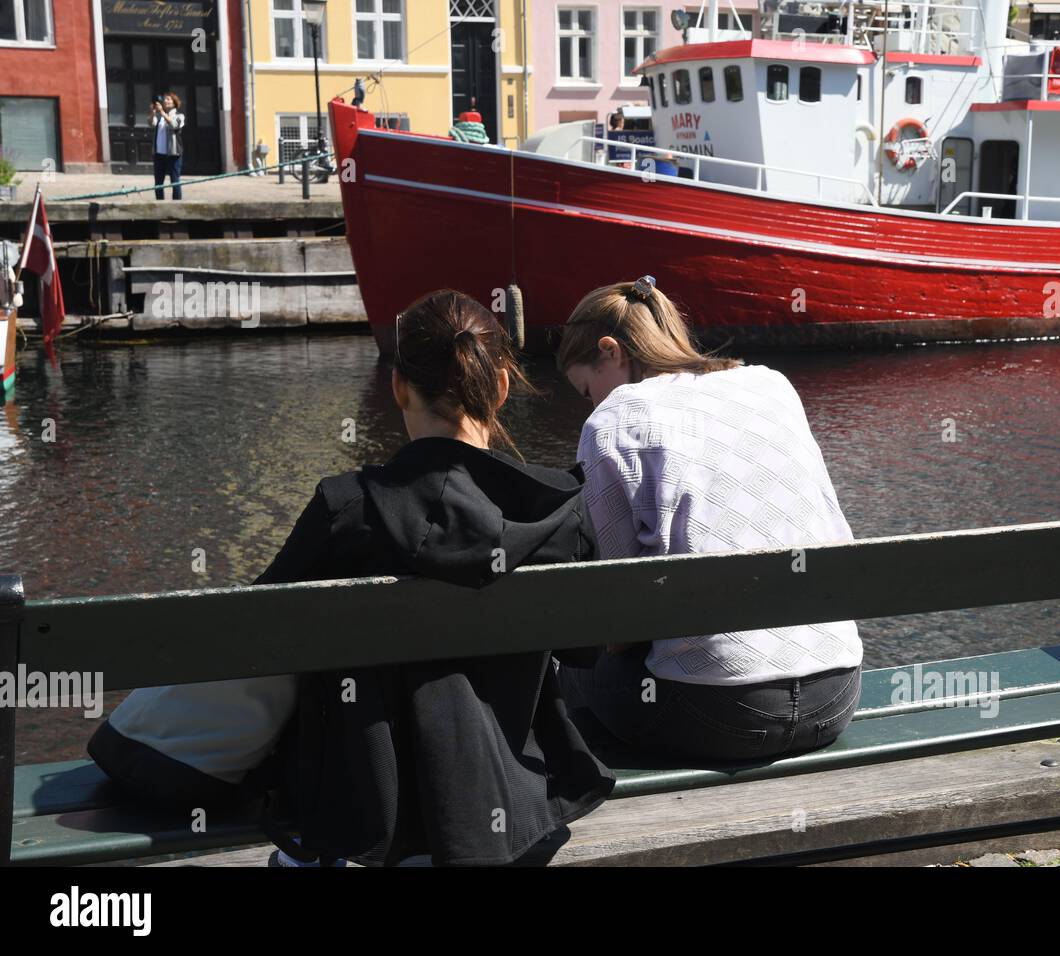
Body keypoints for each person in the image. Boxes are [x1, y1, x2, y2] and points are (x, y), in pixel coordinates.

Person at [89, 290, 614, 866]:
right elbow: (586, 648)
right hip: (520, 801)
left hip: (362, 813)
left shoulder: (347, 509)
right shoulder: (562, 511)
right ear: (502, 389)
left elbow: (252, 636)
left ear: (398, 386)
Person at [554, 276, 863, 762]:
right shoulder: (771, 385)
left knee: (571, 662)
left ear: (610, 351)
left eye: (586, 389)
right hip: (836, 694)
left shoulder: (616, 417)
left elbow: (620, 625)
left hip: (717, 715)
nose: (591, 404)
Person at [150, 92, 185, 200]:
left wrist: (162, 112)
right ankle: (160, 205)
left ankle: (177, 206)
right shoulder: (160, 117)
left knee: (175, 181)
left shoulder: (180, 116)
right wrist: (153, 112)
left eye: (169, 99)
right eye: (165, 99)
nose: (166, 101)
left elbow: (174, 125)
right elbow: (152, 123)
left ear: (174, 103)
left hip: (173, 154)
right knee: (158, 183)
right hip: (159, 154)